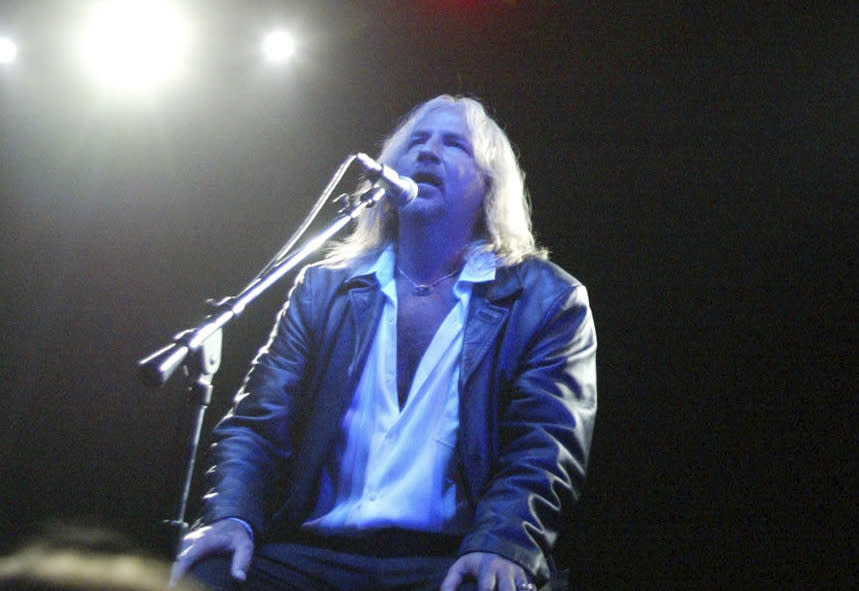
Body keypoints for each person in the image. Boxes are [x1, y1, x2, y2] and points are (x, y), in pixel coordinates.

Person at [171, 95, 597, 591]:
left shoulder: (546, 299)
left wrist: (503, 542)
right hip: (309, 555)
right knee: (207, 574)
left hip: (450, 559)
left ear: (489, 185)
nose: (429, 151)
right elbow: (258, 425)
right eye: (417, 140)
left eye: (454, 144)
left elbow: (544, 445)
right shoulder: (324, 288)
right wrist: (232, 517)